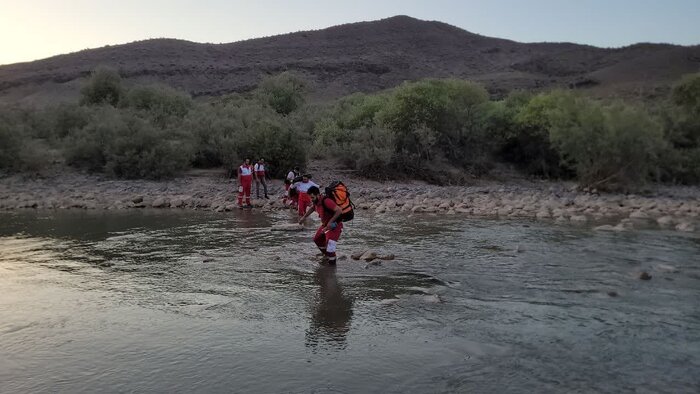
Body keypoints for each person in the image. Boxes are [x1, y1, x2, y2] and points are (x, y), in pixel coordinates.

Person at [299, 186, 343, 264]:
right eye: (310, 198)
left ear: (318, 195)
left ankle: (332, 267)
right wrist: (304, 217)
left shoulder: (326, 201)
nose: (311, 199)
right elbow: (313, 208)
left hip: (334, 225)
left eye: (312, 197)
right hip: (325, 225)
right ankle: (327, 255)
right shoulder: (316, 202)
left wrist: (330, 222)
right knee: (317, 239)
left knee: (330, 247)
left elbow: (339, 210)